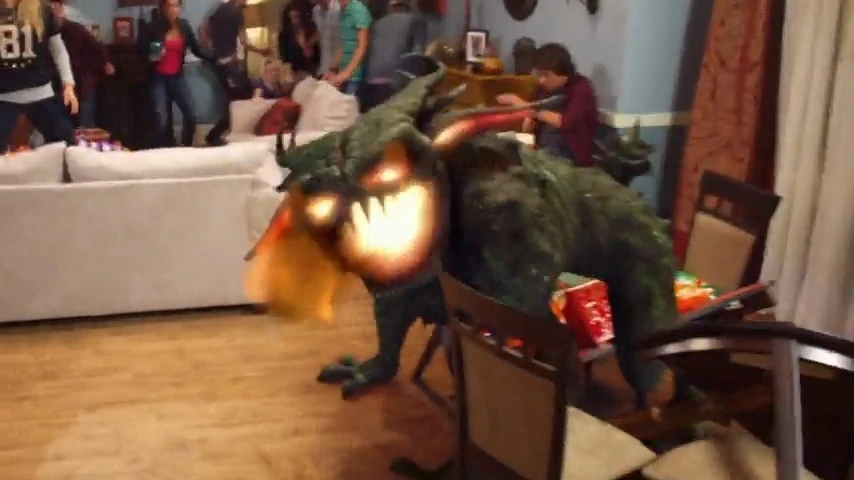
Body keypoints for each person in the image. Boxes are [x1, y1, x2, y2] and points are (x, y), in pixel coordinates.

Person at [497, 43, 598, 167]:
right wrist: (529, 122)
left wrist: (527, 108)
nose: (541, 80)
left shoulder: (582, 89)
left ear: (562, 73)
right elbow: (534, 110)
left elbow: (564, 122)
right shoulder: (543, 88)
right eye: (539, 74)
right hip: (543, 148)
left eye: (545, 75)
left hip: (569, 156)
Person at [0, 0, 78, 152]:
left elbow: (58, 49)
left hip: (41, 92)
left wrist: (68, 85)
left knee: (67, 145)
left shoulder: (41, 9)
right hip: (4, 96)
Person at [143, 0, 214, 147]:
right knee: (160, 120)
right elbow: (141, 50)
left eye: (176, 5)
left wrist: (214, 58)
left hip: (177, 76)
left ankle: (185, 148)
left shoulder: (184, 26)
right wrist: (153, 54)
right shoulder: (153, 27)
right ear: (163, 8)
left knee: (191, 115)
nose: (173, 9)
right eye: (170, 5)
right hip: (159, 78)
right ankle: (157, 151)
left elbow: (196, 49)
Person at [202, 0, 271, 146]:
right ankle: (215, 135)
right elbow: (243, 40)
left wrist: (210, 48)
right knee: (242, 97)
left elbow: (205, 28)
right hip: (230, 64)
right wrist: (261, 51)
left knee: (233, 99)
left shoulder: (220, 9)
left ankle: (219, 134)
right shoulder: (236, 13)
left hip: (220, 63)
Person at [49, 0, 114, 128]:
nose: (54, 15)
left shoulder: (76, 29)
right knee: (62, 125)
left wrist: (106, 63)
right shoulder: (44, 33)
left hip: (82, 84)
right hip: (57, 86)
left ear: (61, 10)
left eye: (56, 10)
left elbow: (98, 47)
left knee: (85, 123)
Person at [361, 0, 425, 111]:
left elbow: (368, 52)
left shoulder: (378, 24)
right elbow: (417, 53)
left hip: (370, 83)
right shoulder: (416, 22)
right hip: (394, 82)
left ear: (391, 7)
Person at [322, 0, 371, 96]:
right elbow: (342, 44)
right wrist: (333, 70)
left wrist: (345, 74)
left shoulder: (358, 10)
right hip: (343, 75)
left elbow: (362, 47)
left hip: (356, 77)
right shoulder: (342, 12)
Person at [277, 3, 318, 76]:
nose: (293, 21)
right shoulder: (284, 36)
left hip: (313, 72)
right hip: (295, 74)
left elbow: (317, 56)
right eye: (291, 18)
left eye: (296, 17)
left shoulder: (310, 32)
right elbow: (284, 60)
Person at [312, 0, 339, 78]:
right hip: (324, 66)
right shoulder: (316, 11)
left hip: (339, 66)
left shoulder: (339, 8)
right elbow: (320, 32)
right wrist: (308, 44)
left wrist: (334, 68)